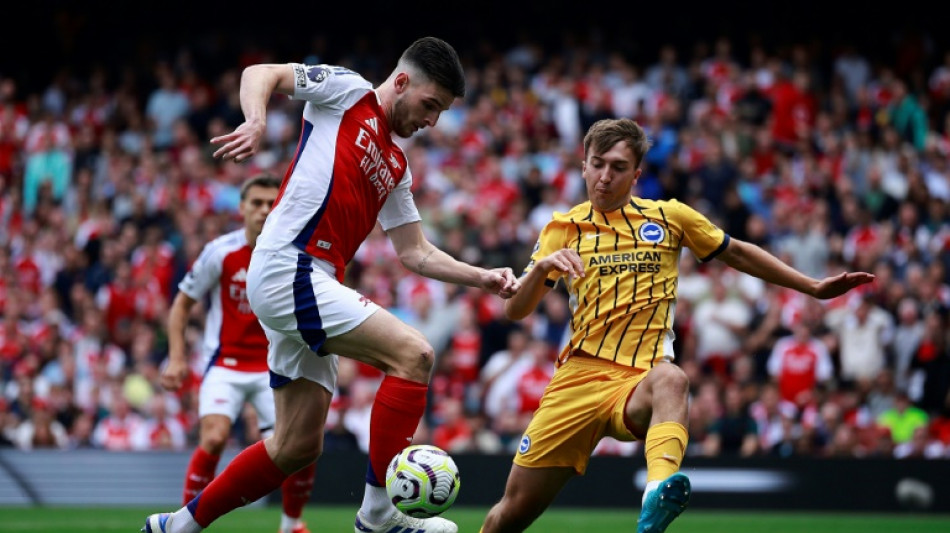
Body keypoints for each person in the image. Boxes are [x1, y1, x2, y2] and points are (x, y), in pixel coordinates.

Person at [144, 36, 519, 533]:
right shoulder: (349, 91)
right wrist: (256, 119)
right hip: (288, 266)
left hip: (310, 282)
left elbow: (415, 252)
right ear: (402, 82)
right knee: (415, 355)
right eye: (431, 105)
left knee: (297, 445)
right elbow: (262, 73)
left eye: (442, 113)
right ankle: (380, 517)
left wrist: (483, 278)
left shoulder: (396, 166)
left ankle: (178, 526)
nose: (432, 122)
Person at [478, 118, 874, 533]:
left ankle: (654, 500)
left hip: (640, 378)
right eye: (597, 164)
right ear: (583, 165)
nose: (605, 176)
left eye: (617, 167)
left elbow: (736, 253)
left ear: (637, 174)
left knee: (672, 379)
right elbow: (515, 312)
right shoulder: (562, 229)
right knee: (511, 514)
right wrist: (540, 269)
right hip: (577, 380)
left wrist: (811, 287)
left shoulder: (670, 218)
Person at [159, 174, 316, 533]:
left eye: (269, 203)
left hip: (272, 366)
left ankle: (291, 524)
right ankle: (186, 522)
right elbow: (182, 304)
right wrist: (178, 356)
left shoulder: (293, 251)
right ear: (241, 209)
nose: (263, 210)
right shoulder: (220, 251)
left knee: (302, 444)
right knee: (213, 437)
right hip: (225, 363)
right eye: (255, 203)